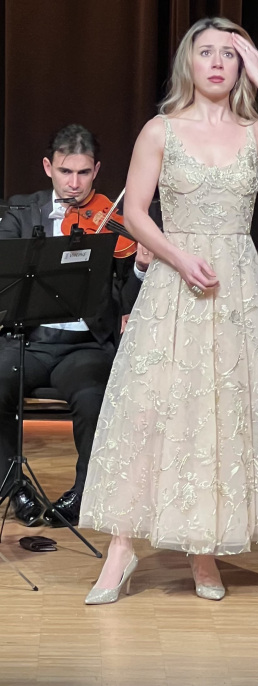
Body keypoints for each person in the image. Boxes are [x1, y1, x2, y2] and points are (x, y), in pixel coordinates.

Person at [79, 16, 258, 604]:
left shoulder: (255, 133)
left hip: (234, 286)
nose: (217, 63)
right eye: (206, 52)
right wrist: (178, 257)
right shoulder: (160, 129)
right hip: (176, 279)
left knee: (218, 412)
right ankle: (121, 549)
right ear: (189, 61)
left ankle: (203, 549)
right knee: (151, 410)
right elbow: (134, 213)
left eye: (228, 55)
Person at [0, 124, 146, 527]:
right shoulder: (19, 211)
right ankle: (14, 487)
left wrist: (140, 267)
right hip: (29, 341)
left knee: (93, 397)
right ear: (48, 167)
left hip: (85, 346)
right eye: (66, 172)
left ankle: (84, 494)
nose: (75, 184)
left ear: (96, 170)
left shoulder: (113, 220)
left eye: (83, 173)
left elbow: (127, 297)